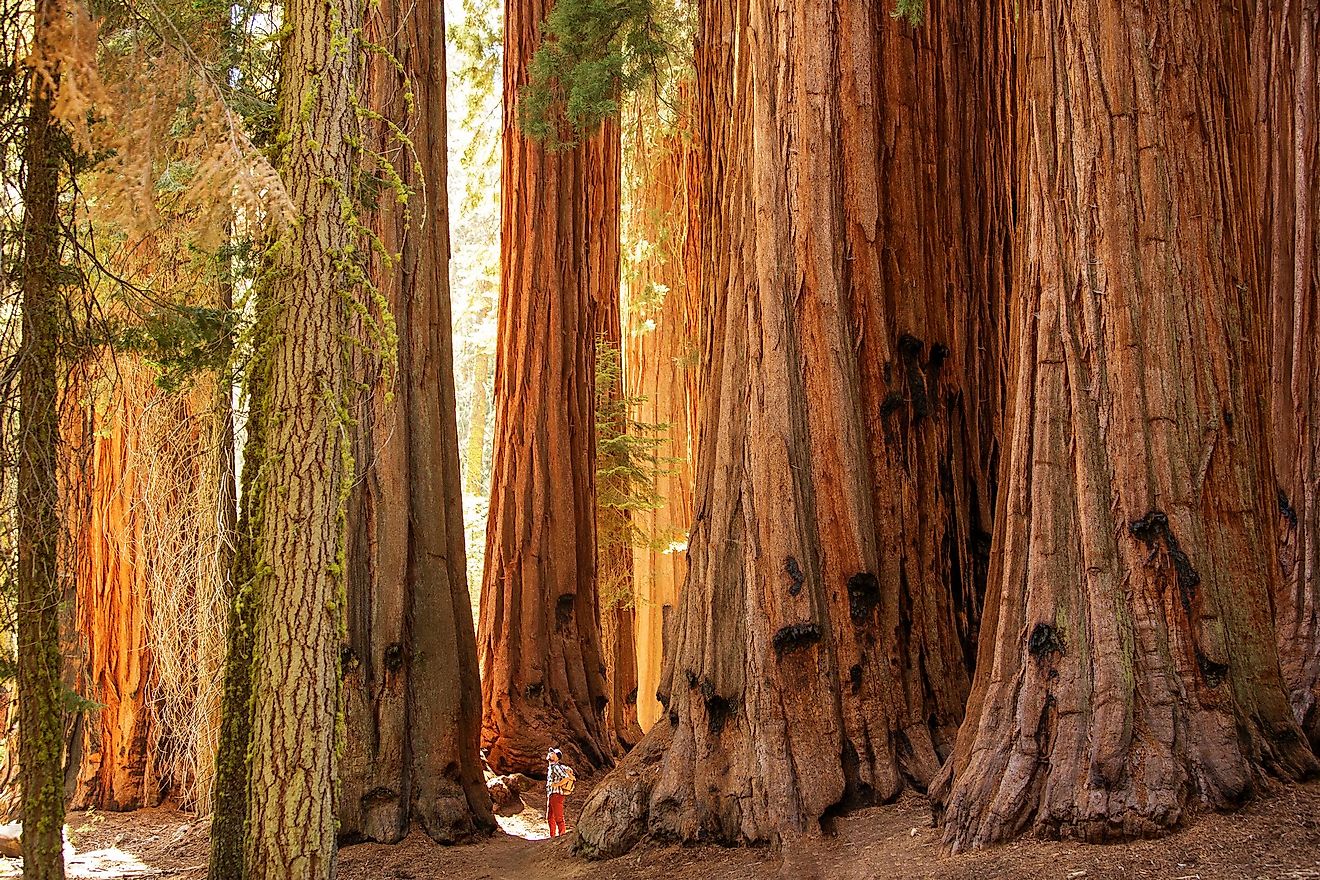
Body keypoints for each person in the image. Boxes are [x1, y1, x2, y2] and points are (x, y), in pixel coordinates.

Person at [545, 747, 574, 837]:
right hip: (552, 795)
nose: (550, 754)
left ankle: (562, 835)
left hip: (556, 795)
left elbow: (566, 777)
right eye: (550, 753)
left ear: (557, 758)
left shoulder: (555, 767)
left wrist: (556, 784)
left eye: (553, 753)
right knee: (550, 817)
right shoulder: (551, 767)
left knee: (558, 817)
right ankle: (552, 836)